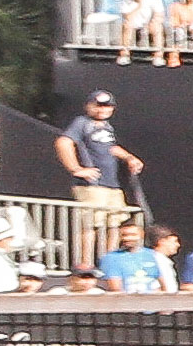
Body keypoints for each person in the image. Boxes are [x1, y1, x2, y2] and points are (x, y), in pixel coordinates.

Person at [57, 88, 142, 237]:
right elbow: (63, 142)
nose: (102, 109)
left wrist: (129, 158)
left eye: (107, 106)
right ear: (88, 106)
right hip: (92, 184)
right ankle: (86, 260)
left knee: (115, 225)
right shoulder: (82, 122)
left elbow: (111, 148)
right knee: (91, 225)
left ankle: (108, 258)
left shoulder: (107, 127)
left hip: (112, 184)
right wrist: (76, 168)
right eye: (98, 105)